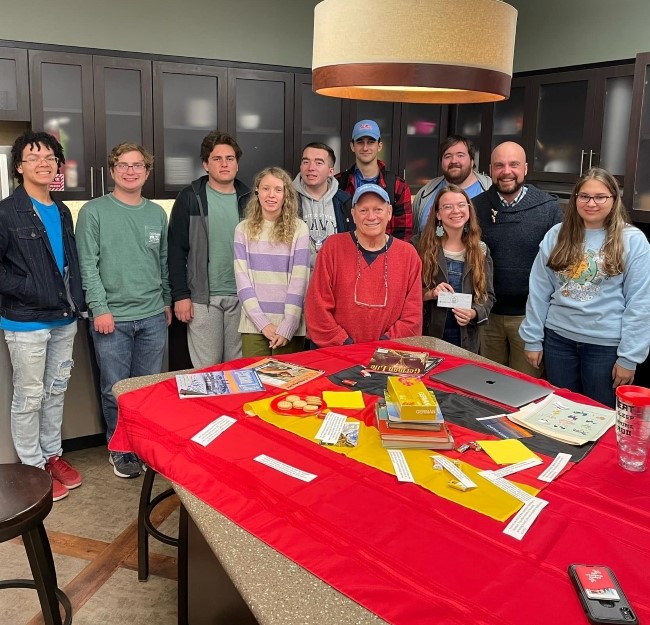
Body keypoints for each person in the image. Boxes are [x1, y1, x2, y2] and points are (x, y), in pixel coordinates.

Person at [76, 142, 171, 478]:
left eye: (138, 165)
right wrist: (99, 308)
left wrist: (167, 302)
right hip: (111, 318)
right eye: (123, 164)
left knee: (146, 389)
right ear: (112, 170)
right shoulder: (93, 211)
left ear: (147, 172)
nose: (131, 171)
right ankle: (120, 449)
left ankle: (143, 445)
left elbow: (162, 263)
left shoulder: (157, 213)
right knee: (115, 388)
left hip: (152, 315)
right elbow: (87, 264)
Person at [0, 130, 85, 501]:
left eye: (50, 158)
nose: (44, 163)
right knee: (30, 396)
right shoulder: (6, 212)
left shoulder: (62, 209)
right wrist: (28, 288)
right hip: (25, 320)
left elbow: (70, 264)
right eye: (34, 157)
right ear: (19, 166)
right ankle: (33, 467)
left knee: (55, 391)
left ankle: (52, 455)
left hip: (64, 317)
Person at [520, 168, 650, 408]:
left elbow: (640, 303)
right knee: (560, 412)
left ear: (614, 199)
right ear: (575, 198)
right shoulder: (556, 235)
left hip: (605, 347)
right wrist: (533, 339)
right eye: (584, 196)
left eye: (600, 197)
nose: (591, 203)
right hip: (558, 341)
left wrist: (629, 357)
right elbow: (538, 290)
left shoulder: (632, 240)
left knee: (600, 417)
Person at [473, 141, 563, 376]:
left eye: (513, 164)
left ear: (525, 168)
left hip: (529, 320)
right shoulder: (475, 208)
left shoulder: (549, 209)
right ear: (490, 170)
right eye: (499, 165)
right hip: (486, 318)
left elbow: (560, 267)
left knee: (525, 390)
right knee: (486, 385)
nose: (506, 172)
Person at [167, 130, 251, 367]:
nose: (224, 164)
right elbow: (175, 250)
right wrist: (181, 296)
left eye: (230, 158)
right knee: (208, 370)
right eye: (217, 159)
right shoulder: (190, 197)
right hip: (203, 299)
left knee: (237, 369)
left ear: (237, 164)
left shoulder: (250, 198)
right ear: (205, 164)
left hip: (244, 298)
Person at [305, 184, 422, 347]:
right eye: (363, 210)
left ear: (389, 213)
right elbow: (317, 306)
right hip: (337, 351)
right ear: (353, 215)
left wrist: (381, 346)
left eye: (378, 210)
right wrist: (345, 343)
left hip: (387, 355)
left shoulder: (408, 255)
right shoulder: (333, 247)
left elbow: (412, 318)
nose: (371, 216)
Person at [234, 167, 310, 357]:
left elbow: (300, 281)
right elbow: (243, 282)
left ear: (286, 194)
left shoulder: (299, 229)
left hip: (290, 327)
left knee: (289, 384)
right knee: (254, 383)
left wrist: (288, 325)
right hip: (253, 324)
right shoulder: (242, 229)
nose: (271, 195)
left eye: (278, 189)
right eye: (266, 188)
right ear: (257, 191)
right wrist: (263, 324)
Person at [413, 185, 495, 354]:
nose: (456, 211)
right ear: (438, 214)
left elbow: (488, 296)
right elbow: (403, 294)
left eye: (461, 205)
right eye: (448, 207)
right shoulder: (419, 246)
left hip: (466, 340)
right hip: (428, 336)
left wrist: (473, 313)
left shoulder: (481, 250)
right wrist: (430, 293)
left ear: (469, 210)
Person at [336, 119, 413, 240]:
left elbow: (403, 234)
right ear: (352, 146)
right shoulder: (338, 183)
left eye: (371, 142)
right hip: (346, 254)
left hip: (386, 255)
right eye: (360, 142)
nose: (365, 148)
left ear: (379, 146)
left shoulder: (398, 186)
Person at [412, 135, 492, 235]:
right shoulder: (425, 194)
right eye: (448, 156)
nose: (454, 161)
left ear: (472, 161)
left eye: (460, 155)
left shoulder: (490, 190)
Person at [293, 142, 352, 268]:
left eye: (318, 162)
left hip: (333, 280)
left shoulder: (345, 202)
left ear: (331, 171)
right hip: (298, 280)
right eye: (306, 162)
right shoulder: (287, 200)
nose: (311, 168)